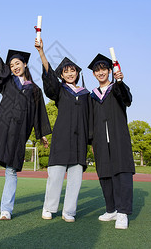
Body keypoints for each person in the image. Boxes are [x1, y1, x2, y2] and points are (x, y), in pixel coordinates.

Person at [0, 27, 51, 220]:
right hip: (1, 127)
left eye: (17, 63)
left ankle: (6, 210)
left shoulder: (34, 90)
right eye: (12, 65)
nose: (14, 67)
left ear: (25, 64)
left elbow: (39, 114)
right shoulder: (8, 82)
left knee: (11, 170)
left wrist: (42, 133)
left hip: (19, 133)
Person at [35, 39, 91, 223]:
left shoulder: (86, 94)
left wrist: (91, 141)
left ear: (77, 72)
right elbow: (49, 78)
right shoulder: (60, 90)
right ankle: (49, 208)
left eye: (72, 70)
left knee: (75, 179)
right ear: (61, 74)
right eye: (65, 71)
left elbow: (90, 119)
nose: (69, 73)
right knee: (56, 176)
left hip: (79, 141)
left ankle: (69, 211)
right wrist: (42, 52)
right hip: (62, 139)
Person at [88, 53, 135, 229]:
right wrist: (91, 141)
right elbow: (89, 120)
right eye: (97, 70)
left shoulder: (116, 89)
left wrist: (120, 82)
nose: (100, 73)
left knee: (122, 173)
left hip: (118, 137)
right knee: (105, 174)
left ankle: (122, 213)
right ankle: (111, 209)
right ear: (93, 74)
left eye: (103, 69)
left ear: (109, 71)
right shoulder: (92, 96)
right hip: (100, 140)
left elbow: (127, 100)